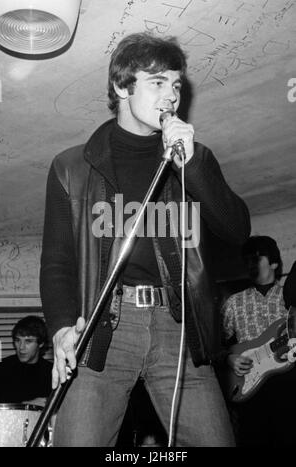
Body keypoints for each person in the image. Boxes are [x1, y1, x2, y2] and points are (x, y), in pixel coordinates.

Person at [40, 32, 250, 447]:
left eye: (175, 85)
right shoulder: (71, 168)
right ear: (122, 87)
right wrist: (62, 327)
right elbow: (58, 260)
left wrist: (192, 166)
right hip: (103, 328)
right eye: (157, 83)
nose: (170, 96)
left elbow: (236, 230)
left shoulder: (195, 159)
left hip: (179, 327)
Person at [222, 235, 296, 446]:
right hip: (249, 388)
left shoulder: (290, 297)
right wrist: (230, 358)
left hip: (287, 387)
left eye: (256, 257)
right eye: (247, 259)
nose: (250, 263)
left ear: (273, 262)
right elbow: (216, 347)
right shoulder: (233, 302)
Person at [0, 315, 52, 405]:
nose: (21, 347)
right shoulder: (0, 369)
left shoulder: (52, 372)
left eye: (28, 341)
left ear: (41, 343)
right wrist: (26, 405)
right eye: (18, 340)